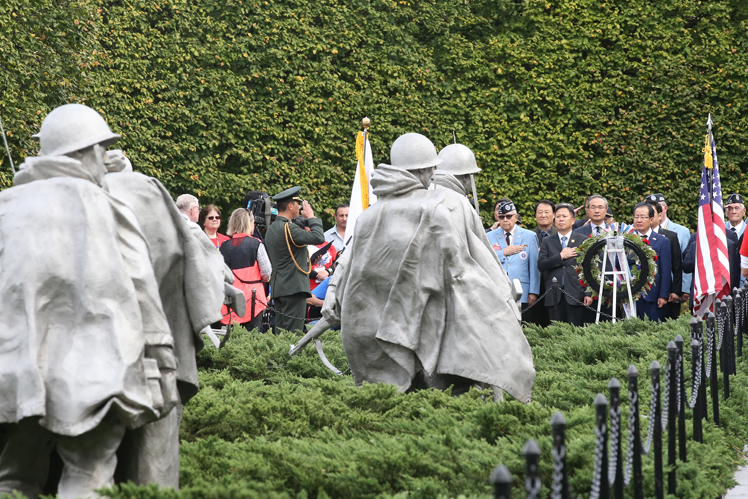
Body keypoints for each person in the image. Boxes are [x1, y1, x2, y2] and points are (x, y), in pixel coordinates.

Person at [0, 104, 177, 499]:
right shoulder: (106, 207)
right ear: (84, 152)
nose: (104, 161)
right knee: (89, 472)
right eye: (101, 150)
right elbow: (141, 287)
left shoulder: (5, 207)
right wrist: (163, 358)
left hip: (15, 373)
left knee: (12, 476)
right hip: (96, 374)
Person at [331, 132, 535, 402]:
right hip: (433, 315)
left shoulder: (371, 215)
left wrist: (335, 291)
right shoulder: (443, 207)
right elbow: (470, 264)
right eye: (430, 169)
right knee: (446, 388)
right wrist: (499, 301)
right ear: (424, 170)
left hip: (384, 325)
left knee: (410, 394)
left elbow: (351, 262)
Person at [264, 186, 325, 332]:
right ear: (290, 206)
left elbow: (286, 256)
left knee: (281, 331)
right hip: (293, 287)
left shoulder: (272, 228)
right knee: (294, 333)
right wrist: (311, 217)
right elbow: (319, 237)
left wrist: (309, 262)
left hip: (280, 286)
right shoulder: (289, 228)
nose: (299, 208)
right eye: (298, 204)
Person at [487, 200, 540, 320]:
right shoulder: (489, 236)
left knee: (524, 324)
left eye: (509, 216)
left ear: (515, 217)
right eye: (502, 217)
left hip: (523, 289)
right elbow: (485, 258)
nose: (505, 219)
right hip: (498, 289)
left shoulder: (529, 236)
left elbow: (534, 266)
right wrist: (503, 253)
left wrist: (533, 291)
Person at [537, 203, 589, 327]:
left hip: (577, 293)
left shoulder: (583, 240)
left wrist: (588, 293)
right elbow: (541, 265)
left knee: (576, 331)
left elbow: (589, 268)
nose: (561, 219)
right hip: (554, 294)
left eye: (564, 216)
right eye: (558, 216)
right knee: (556, 332)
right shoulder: (547, 241)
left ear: (572, 220)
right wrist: (560, 256)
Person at [219, 209, 271, 331]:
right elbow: (267, 274)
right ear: (250, 223)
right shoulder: (256, 244)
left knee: (232, 340)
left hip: (231, 300)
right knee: (253, 340)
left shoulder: (224, 246)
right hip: (254, 299)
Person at [632, 202, 672, 322]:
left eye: (643, 217)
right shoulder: (627, 240)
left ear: (651, 219)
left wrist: (663, 295)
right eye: (636, 217)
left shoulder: (662, 241)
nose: (639, 220)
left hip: (653, 295)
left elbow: (666, 271)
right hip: (631, 294)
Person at [647, 193, 690, 303]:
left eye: (657, 206)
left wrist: (683, 289)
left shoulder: (681, 231)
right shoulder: (639, 232)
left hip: (672, 288)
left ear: (664, 208)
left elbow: (683, 262)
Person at [645, 199, 683, 320]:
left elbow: (676, 265)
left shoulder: (670, 236)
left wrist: (675, 291)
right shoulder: (634, 236)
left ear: (659, 215)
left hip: (664, 292)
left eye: (651, 214)